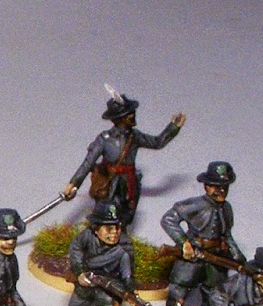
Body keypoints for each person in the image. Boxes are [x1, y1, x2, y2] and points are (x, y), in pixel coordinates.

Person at [60, 91, 186, 228]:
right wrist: (73, 184)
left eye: (132, 112)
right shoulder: (104, 139)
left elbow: (157, 142)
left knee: (126, 215)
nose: (133, 115)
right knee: (104, 214)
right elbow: (88, 163)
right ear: (119, 118)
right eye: (128, 113)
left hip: (129, 184)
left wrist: (173, 127)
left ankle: (120, 237)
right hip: (109, 183)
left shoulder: (135, 136)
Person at [160, 161, 244, 306]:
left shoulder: (227, 208)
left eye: (224, 187)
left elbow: (227, 235)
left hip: (216, 259)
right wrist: (184, 242)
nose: (221, 191)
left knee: (215, 297)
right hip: (193, 256)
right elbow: (168, 219)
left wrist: (238, 257)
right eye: (216, 186)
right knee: (178, 294)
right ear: (206, 186)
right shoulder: (195, 205)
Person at [64, 202, 134, 306]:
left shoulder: (124, 247)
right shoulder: (87, 236)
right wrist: (80, 272)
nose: (114, 233)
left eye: (117, 228)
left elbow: (128, 274)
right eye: (109, 229)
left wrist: (128, 290)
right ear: (96, 229)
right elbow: (75, 248)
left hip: (108, 290)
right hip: (86, 284)